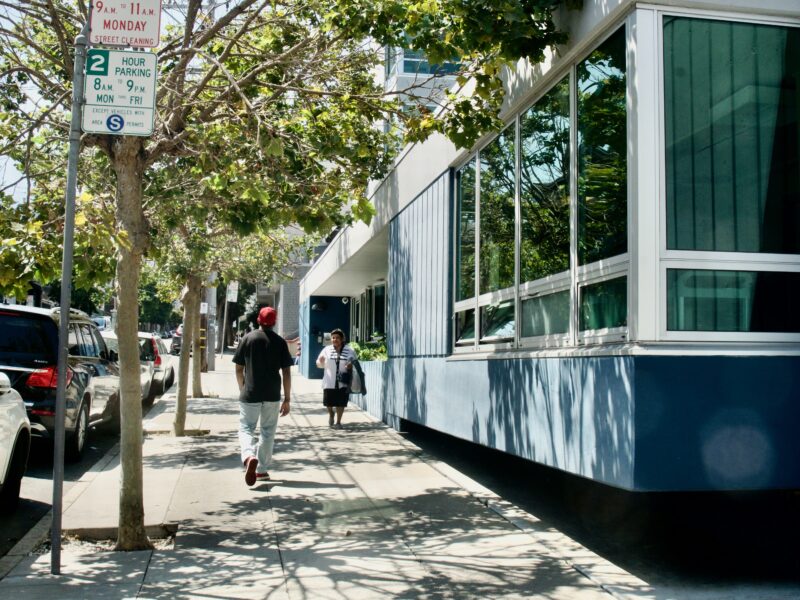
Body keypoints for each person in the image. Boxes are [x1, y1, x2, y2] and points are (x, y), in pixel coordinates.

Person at [232, 306, 293, 485]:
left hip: (250, 393)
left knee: (245, 428)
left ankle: (249, 456)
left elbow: (238, 368)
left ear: (258, 320)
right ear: (274, 322)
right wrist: (287, 399)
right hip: (272, 394)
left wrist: (242, 388)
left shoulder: (247, 339)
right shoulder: (280, 342)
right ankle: (262, 470)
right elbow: (286, 373)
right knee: (267, 431)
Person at [316, 328, 357, 429]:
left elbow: (355, 362)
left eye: (337, 338)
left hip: (343, 382)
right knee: (329, 403)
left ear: (342, 339)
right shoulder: (326, 350)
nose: (335, 340)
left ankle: (338, 422)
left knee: (341, 402)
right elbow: (318, 364)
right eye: (333, 338)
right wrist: (320, 362)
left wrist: (350, 365)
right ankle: (331, 414)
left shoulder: (349, 350)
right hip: (329, 381)